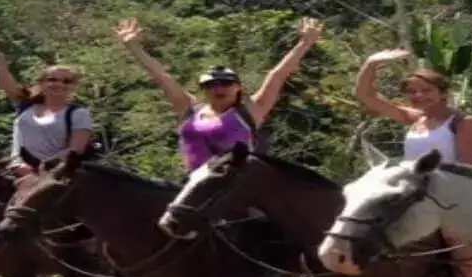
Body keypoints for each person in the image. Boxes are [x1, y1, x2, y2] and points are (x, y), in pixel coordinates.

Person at [355, 48, 472, 277]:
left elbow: (467, 168)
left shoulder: (463, 122)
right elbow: (366, 96)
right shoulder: (413, 118)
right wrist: (371, 63)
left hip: (457, 188)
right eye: (413, 92)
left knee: (458, 234)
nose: (418, 97)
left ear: (443, 92)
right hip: (416, 190)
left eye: (426, 91)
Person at [116, 17, 322, 172]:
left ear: (238, 88)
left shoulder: (249, 112)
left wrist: (305, 43)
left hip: (235, 189)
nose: (219, 88)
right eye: (211, 85)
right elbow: (160, 76)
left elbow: (278, 74)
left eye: (226, 83)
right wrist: (133, 46)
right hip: (192, 188)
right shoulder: (189, 110)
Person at [0, 22, 95, 175]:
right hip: (18, 172)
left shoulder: (78, 114)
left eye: (66, 81)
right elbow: (1, 73)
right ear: (41, 83)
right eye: (52, 79)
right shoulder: (26, 105)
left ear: (73, 86)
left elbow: (75, 150)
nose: (59, 84)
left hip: (57, 175)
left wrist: (41, 167)